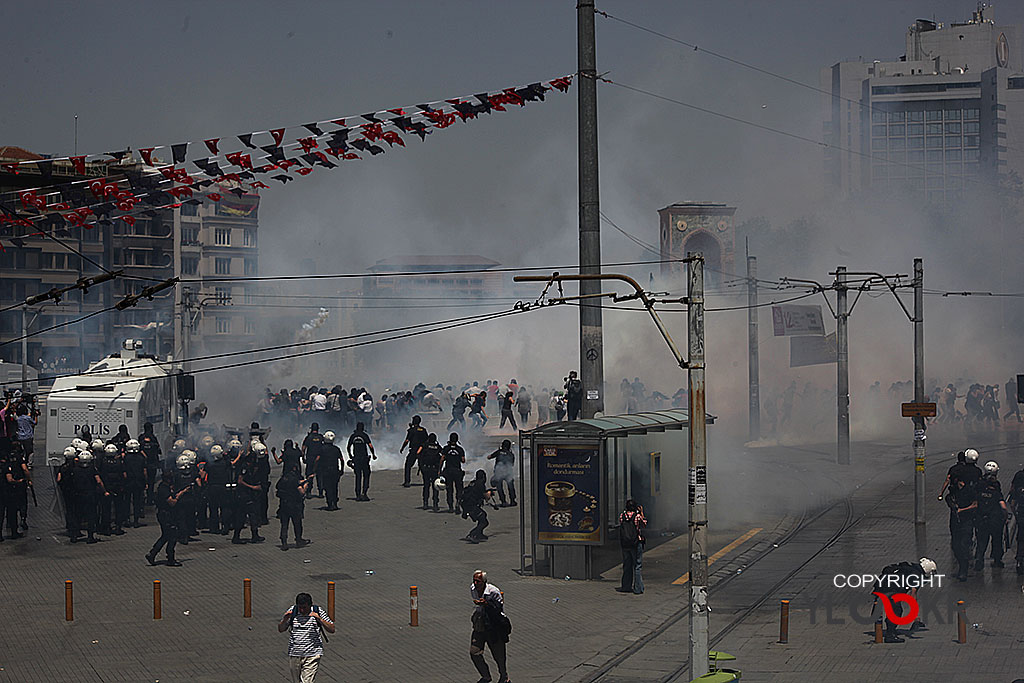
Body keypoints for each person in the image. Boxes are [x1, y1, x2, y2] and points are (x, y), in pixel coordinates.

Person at [870, 558, 937, 643]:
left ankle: (891, 630)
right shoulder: (917, 575)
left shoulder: (910, 568)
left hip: (882, 585)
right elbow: (913, 595)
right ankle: (890, 635)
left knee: (894, 609)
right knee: (896, 611)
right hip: (891, 589)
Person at [279, 592, 335, 683]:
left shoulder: (318, 611)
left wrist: (319, 620)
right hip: (295, 653)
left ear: (310, 605)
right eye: (300, 607)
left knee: (307, 681)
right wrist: (285, 619)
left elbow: (332, 629)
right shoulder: (293, 611)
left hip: (312, 654)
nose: (301, 610)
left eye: (304, 607)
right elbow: (281, 629)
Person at [469, 570, 511, 683]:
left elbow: (498, 609)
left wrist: (486, 604)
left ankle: (504, 676)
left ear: (484, 582)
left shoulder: (493, 591)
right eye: (474, 581)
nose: (475, 584)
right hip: (480, 624)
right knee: (474, 651)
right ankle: (486, 676)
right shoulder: (472, 588)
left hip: (493, 626)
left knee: (498, 655)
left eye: (478, 581)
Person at [146, 469, 189, 567]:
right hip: (166, 516)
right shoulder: (163, 488)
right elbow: (172, 502)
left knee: (166, 536)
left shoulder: (164, 487)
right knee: (172, 536)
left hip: (166, 515)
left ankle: (152, 554)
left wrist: (182, 492)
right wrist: (179, 496)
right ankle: (170, 558)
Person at [974, 460, 1009, 570]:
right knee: (997, 540)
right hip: (995, 519)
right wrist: (1005, 514)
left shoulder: (979, 484)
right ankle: (997, 560)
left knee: (981, 541)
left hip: (981, 518)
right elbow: (1001, 502)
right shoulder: (996, 486)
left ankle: (979, 560)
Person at [70, 449, 108, 544]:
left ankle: (74, 535)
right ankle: (90, 537)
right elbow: (98, 481)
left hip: (78, 495)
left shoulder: (75, 470)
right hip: (90, 495)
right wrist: (104, 491)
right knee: (91, 515)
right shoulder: (92, 469)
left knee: (77, 515)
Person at [277, 469, 313, 549]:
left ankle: (284, 542)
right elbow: (302, 491)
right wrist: (306, 484)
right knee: (297, 523)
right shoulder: (294, 480)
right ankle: (298, 540)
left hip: (283, 505)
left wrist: (306, 480)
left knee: (284, 525)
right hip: (294, 505)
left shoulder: (283, 480)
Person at [616, 499, 647, 594]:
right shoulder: (637, 516)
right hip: (635, 543)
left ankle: (625, 586)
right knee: (637, 566)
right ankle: (638, 588)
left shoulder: (622, 516)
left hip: (625, 544)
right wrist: (641, 512)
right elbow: (644, 524)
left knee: (627, 565)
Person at [98, 443, 127, 536]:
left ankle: (106, 528)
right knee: (119, 508)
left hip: (107, 488)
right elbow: (124, 475)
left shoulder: (103, 462)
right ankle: (118, 527)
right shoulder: (119, 463)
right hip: (118, 488)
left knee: (106, 509)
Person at [461, 470, 495, 543]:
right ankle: (472, 534)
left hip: (467, 505)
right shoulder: (480, 484)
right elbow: (486, 497)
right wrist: (489, 493)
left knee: (482, 516)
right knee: (484, 522)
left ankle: (479, 534)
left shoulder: (473, 483)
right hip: (472, 506)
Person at [347, 422, 375, 501]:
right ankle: (364, 493)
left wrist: (350, 455)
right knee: (366, 475)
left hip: (356, 459)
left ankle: (358, 494)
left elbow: (348, 446)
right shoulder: (364, 435)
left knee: (358, 477)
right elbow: (370, 445)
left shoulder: (353, 436)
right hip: (364, 459)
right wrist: (373, 454)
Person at [316, 431, 344, 511]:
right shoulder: (336, 449)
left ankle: (330, 503)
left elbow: (317, 459)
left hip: (326, 471)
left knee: (327, 488)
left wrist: (315, 469)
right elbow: (342, 460)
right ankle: (334, 503)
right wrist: (341, 470)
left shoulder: (322, 449)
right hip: (335, 471)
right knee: (334, 487)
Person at [123, 439, 148, 528]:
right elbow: (144, 471)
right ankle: (136, 521)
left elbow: (124, 472)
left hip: (129, 482)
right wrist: (146, 482)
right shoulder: (141, 457)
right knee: (137, 502)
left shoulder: (126, 457)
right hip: (139, 482)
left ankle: (127, 519)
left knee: (127, 501)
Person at [417, 433, 443, 511]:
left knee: (426, 486)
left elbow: (418, 452)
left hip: (426, 468)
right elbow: (443, 454)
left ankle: (425, 503)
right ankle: (435, 504)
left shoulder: (425, 445)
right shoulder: (437, 447)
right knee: (435, 487)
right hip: (434, 469)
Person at [400, 415, 428, 487]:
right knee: (422, 466)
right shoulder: (423, 430)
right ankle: (426, 481)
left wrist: (402, 448)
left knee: (408, 465)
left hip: (414, 450)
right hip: (422, 450)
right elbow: (426, 441)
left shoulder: (411, 430)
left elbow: (407, 440)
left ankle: (407, 481)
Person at [487, 439, 517, 507]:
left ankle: (503, 501)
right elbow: (512, 464)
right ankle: (512, 501)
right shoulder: (511, 454)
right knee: (510, 486)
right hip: (508, 472)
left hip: (499, 471)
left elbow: (489, 457)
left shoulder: (499, 452)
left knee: (499, 487)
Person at [442, 433, 466, 514]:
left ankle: (450, 507)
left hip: (448, 471)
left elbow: (442, 459)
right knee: (459, 489)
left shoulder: (446, 448)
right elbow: (463, 460)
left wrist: (439, 470)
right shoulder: (460, 449)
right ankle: (458, 504)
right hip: (457, 471)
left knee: (449, 490)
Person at [301, 423, 325, 499]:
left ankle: (308, 492)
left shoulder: (308, 437)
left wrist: (303, 457)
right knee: (320, 476)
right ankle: (320, 492)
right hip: (319, 459)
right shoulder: (321, 437)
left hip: (310, 459)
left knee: (309, 475)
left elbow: (303, 448)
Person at [139, 422, 161, 505]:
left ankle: (142, 501)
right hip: (151, 465)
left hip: (142, 465)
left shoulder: (141, 438)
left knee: (142, 483)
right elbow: (158, 450)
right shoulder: (153, 438)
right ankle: (149, 499)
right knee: (151, 483)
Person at [1009, 464, 1024, 575]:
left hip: (1021, 513)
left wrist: (1015, 513)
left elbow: (1012, 494)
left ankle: (1019, 559)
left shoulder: (1018, 476)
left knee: (1021, 537)